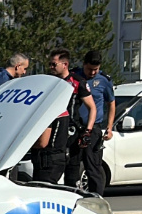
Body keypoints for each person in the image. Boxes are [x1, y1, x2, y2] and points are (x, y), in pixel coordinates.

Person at [31, 49, 92, 184]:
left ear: (65, 64)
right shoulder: (48, 81)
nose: (51, 67)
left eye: (54, 64)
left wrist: (88, 130)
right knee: (50, 170)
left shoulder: (77, 81)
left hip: (72, 130)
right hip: (54, 130)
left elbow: (92, 107)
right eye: (50, 64)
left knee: (72, 174)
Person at [67, 50, 114, 194]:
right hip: (75, 127)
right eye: (90, 69)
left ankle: (97, 199)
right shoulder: (74, 77)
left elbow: (111, 103)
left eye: (96, 69)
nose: (93, 73)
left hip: (93, 129)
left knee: (93, 166)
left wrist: (109, 127)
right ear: (83, 64)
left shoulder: (104, 80)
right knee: (72, 165)